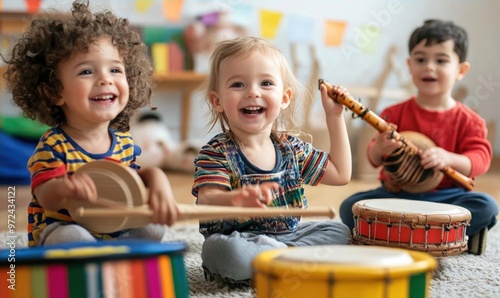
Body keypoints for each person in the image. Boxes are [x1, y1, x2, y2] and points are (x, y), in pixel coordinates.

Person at [2, 0, 180, 247]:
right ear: (55, 92)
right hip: (63, 228)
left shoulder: (123, 141)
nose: (105, 79)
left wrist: (157, 179)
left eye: (115, 70)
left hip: (111, 227)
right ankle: (91, 259)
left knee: (153, 228)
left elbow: (132, 179)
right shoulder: (54, 145)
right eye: (87, 71)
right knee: (71, 237)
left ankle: (108, 254)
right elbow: (46, 197)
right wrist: (66, 188)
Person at [191, 36, 352, 287]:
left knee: (339, 231)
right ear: (217, 101)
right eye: (237, 85)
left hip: (289, 236)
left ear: (285, 97)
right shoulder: (217, 152)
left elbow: (341, 174)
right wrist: (235, 199)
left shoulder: (291, 148)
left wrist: (334, 117)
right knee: (221, 251)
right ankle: (291, 261)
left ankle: (278, 258)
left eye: (266, 83)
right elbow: (207, 199)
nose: (253, 92)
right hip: (239, 241)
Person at [339, 20, 498, 255]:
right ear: (410, 65)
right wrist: (381, 148)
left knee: (487, 206)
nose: (429, 67)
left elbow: (480, 159)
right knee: (349, 207)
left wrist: (449, 159)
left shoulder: (469, 120)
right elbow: (373, 158)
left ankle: (398, 235)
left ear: (461, 70)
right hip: (397, 196)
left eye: (441, 60)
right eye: (421, 59)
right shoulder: (394, 113)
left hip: (446, 199)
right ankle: (436, 235)